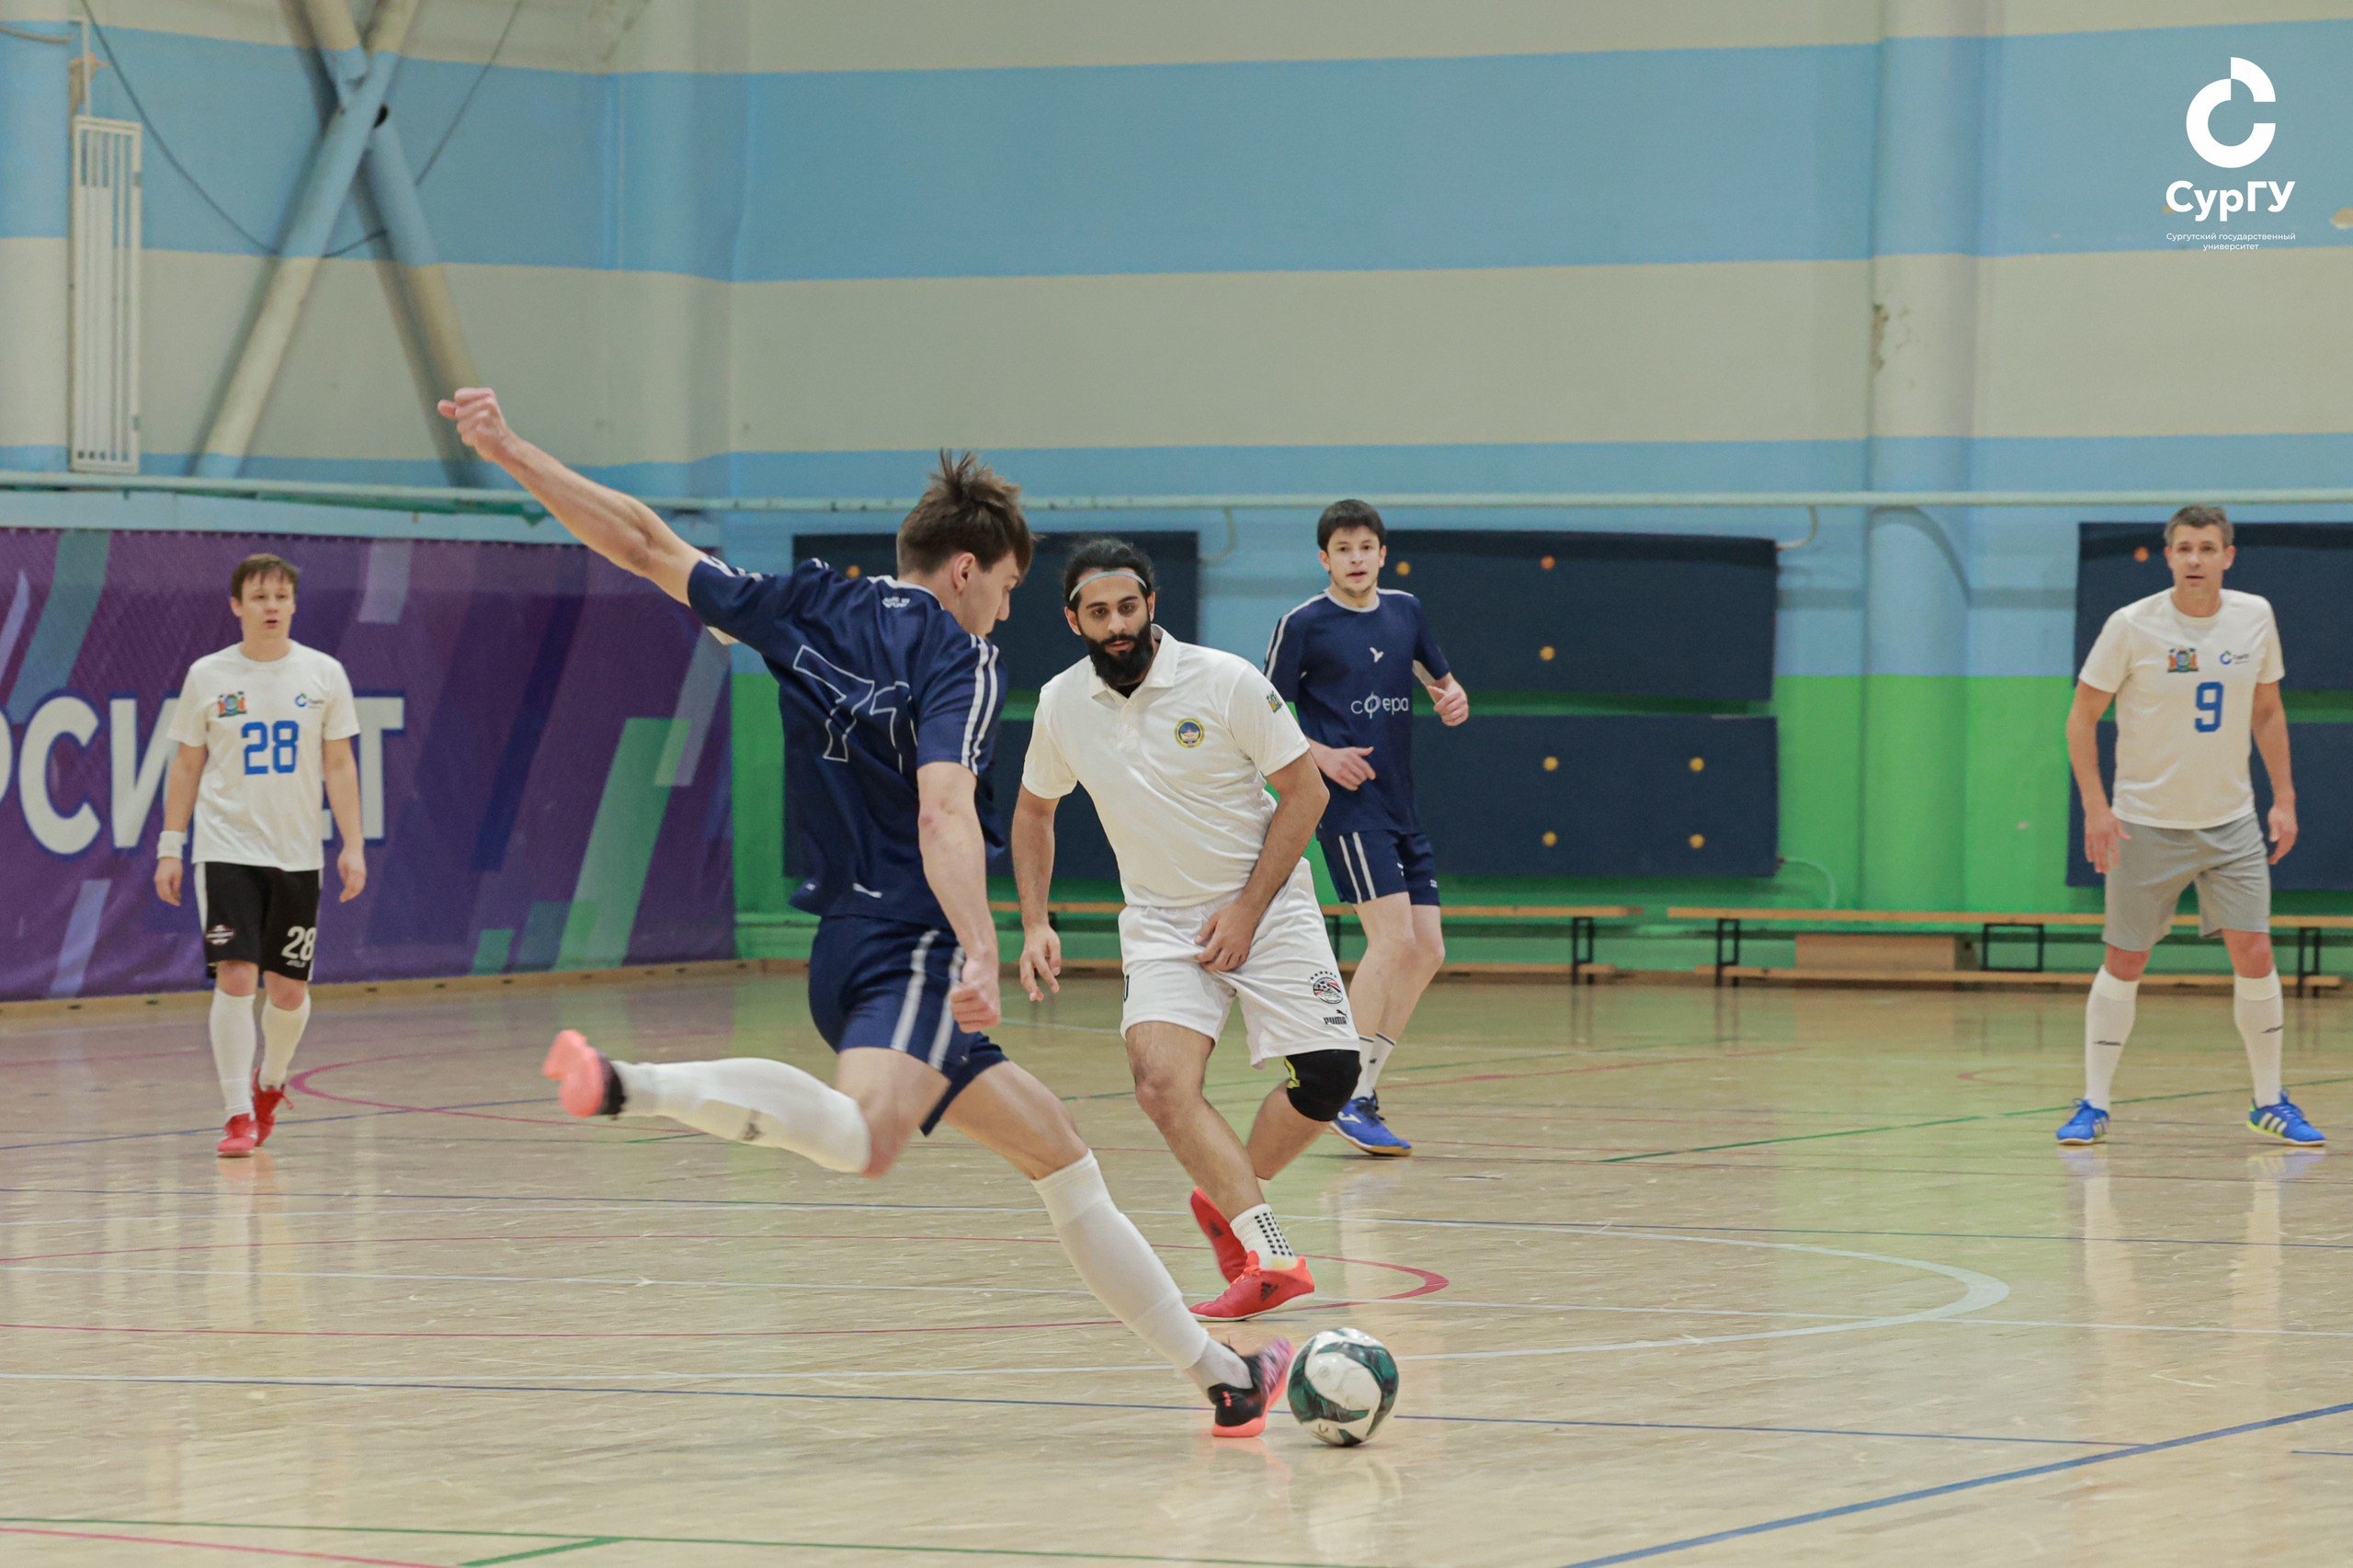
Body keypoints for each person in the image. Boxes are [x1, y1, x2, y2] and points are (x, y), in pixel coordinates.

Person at [438, 389, 1292, 1436]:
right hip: (911, 948)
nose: (1005, 613)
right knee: (862, 1138)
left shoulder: (807, 602)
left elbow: (644, 542)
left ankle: (1225, 1377)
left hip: (841, 948)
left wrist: (512, 449)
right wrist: (978, 945)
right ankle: (628, 1082)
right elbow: (943, 808)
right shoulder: (960, 657)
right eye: (1007, 588)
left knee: (1061, 1154)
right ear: (966, 569)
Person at [1013, 539, 1363, 1322]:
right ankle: (1268, 1248)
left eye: (1127, 608)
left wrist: (1246, 911)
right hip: (1162, 921)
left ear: (1150, 605)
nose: (1117, 626)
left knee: (1332, 1074)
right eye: (1098, 613)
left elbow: (1306, 793)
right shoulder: (1062, 703)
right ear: (1073, 620)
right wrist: (1036, 921)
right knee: (1162, 1086)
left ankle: (1225, 1193)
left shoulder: (1226, 680)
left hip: (1266, 902)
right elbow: (1034, 811)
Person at [2059, 505, 2319, 1147]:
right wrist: (2096, 806)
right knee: (2125, 959)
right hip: (2145, 823)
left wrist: (2283, 797)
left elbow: (2267, 710)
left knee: (2255, 952)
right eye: (2184, 548)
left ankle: (2269, 1101)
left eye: (2207, 548)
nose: (2195, 559)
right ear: (2169, 555)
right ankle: (2093, 1103)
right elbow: (2082, 717)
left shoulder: (2254, 615)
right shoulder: (2131, 625)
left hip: (2230, 822)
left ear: (2228, 556)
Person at [1262, 499, 1468, 1155]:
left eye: (1365, 547)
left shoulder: (1406, 611)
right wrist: (1321, 756)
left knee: (1427, 949)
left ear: (1383, 554)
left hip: (1403, 803)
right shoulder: (1303, 624)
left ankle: (1362, 1093)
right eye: (1342, 549)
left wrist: (1452, 697)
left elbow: (1441, 680)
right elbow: (1262, 716)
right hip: (1349, 808)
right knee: (1392, 938)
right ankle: (1339, 1090)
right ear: (1324, 559)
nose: (1355, 559)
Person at [153, 553, 367, 1157]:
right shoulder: (208, 675)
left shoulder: (323, 674)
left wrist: (352, 844)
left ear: (294, 605)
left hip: (297, 855)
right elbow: (187, 764)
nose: (271, 607)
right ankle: (236, 1113)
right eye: (259, 597)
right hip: (226, 848)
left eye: (281, 597)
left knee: (288, 992)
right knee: (237, 974)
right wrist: (171, 846)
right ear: (237, 606)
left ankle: (270, 1082)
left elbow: (339, 764)